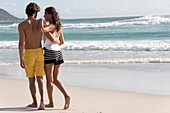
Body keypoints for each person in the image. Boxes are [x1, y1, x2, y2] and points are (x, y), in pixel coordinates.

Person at [41, 6, 70, 109]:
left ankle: (51, 102)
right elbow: (62, 42)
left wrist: (42, 21)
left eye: (45, 14)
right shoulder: (58, 27)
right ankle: (66, 96)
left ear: (50, 14)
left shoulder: (51, 26)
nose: (44, 15)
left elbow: (42, 29)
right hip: (58, 53)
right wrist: (54, 42)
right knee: (55, 79)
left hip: (50, 53)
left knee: (49, 80)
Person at [18, 2, 45, 110]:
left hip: (28, 53)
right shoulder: (40, 22)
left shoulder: (22, 25)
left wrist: (21, 58)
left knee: (31, 80)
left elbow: (21, 43)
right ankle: (42, 101)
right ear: (36, 12)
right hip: (39, 52)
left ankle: (34, 102)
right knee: (40, 78)